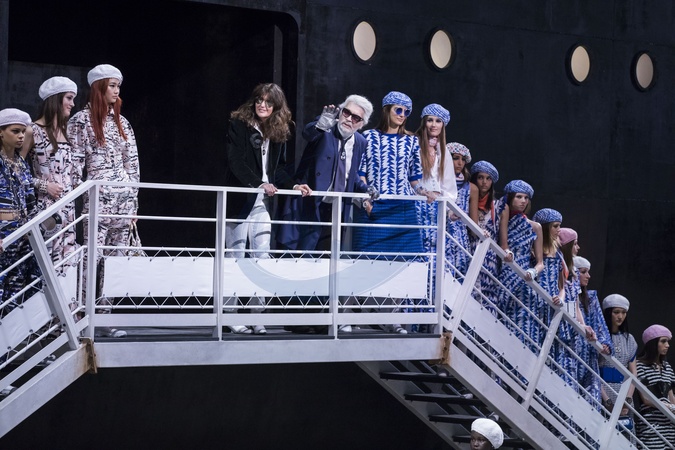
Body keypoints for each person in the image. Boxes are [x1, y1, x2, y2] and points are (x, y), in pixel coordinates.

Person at [68, 64, 140, 338]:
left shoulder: (123, 123)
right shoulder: (81, 121)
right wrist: (79, 195)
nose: (116, 91)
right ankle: (84, 317)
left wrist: (134, 203)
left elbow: (132, 164)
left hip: (123, 201)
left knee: (116, 261)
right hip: (97, 200)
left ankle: (106, 316)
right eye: (112, 86)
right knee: (92, 258)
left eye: (118, 86)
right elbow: (75, 164)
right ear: (99, 87)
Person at [353, 91, 429, 334]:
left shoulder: (411, 141)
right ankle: (365, 311)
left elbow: (414, 176)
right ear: (387, 110)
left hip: (402, 205)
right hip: (376, 204)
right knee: (370, 260)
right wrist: (365, 198)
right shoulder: (368, 137)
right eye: (399, 110)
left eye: (407, 112)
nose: (403, 115)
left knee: (401, 262)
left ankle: (392, 316)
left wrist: (424, 192)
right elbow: (360, 172)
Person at [223, 83, 296, 334]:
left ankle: (257, 314)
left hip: (262, 204)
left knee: (262, 258)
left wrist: (295, 184)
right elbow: (235, 161)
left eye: (268, 102)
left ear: (276, 106)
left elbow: (280, 169)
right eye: (259, 100)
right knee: (235, 258)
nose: (262, 105)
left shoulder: (278, 130)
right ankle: (229, 315)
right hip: (240, 200)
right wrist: (259, 183)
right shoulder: (239, 125)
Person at [277, 94, 373, 252]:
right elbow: (307, 134)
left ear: (362, 124)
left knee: (328, 257)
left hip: (336, 207)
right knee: (297, 255)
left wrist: (365, 188)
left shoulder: (360, 142)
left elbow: (350, 174)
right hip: (310, 200)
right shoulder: (326, 127)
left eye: (356, 118)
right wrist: (320, 126)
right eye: (346, 112)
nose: (349, 119)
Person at [22, 76, 80, 275]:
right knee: (44, 264)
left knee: (67, 264)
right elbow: (15, 172)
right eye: (69, 98)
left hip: (68, 209)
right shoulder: (33, 131)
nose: (72, 104)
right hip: (45, 208)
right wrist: (44, 186)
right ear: (56, 99)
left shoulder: (66, 131)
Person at [0, 108, 41, 313]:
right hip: (3, 233)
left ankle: (9, 331)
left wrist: (33, 229)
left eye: (23, 131)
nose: (21, 136)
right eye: (15, 131)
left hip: (22, 233)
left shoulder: (21, 164)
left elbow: (30, 200)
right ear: (1, 132)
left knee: (16, 290)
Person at [532, 208, 576, 386]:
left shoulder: (558, 253)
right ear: (545, 227)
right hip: (536, 303)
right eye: (555, 226)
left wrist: (561, 298)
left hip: (552, 306)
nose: (559, 230)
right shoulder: (533, 248)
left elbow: (561, 286)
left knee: (550, 350)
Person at [496, 180, 543, 346]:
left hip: (524, 277)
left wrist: (533, 272)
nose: (523, 201)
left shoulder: (535, 227)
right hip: (503, 272)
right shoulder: (501, 217)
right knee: (499, 318)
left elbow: (540, 263)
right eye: (519, 197)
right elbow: (503, 245)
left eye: (526, 198)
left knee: (521, 321)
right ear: (510, 197)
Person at [572, 255, 612, 406]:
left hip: (589, 353)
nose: (588, 276)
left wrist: (605, 343)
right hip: (570, 352)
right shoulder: (566, 293)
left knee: (590, 399)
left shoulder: (591, 298)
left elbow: (600, 324)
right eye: (583, 272)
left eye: (588, 272)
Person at [636, 324, 675, 447]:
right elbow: (646, 398)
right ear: (653, 343)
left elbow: (671, 397)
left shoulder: (667, 367)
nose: (667, 345)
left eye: (667, 341)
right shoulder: (640, 365)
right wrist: (669, 406)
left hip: (669, 426)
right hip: (651, 425)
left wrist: (672, 407)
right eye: (663, 341)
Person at [598, 294, 637, 419]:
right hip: (602, 391)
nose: (620, 316)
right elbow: (593, 369)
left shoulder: (629, 339)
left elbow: (633, 373)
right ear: (608, 313)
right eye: (616, 312)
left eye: (623, 312)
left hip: (623, 393)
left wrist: (628, 399)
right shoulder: (599, 336)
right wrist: (607, 401)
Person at [468, 160, 500, 303]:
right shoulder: (466, 200)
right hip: (469, 248)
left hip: (489, 254)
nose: (484, 182)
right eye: (480, 177)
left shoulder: (497, 206)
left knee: (488, 293)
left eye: (488, 179)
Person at [446, 142, 475, 280]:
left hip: (461, 238)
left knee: (460, 277)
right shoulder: (437, 182)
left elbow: (473, 221)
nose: (460, 163)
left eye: (463, 159)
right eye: (456, 158)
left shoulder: (470, 187)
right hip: (442, 233)